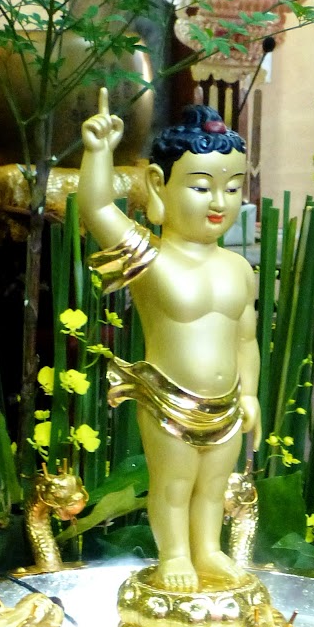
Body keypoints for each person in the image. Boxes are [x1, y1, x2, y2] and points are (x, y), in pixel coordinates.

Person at [78, 88, 261, 592]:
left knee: (214, 486)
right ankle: (175, 553)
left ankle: (208, 549)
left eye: (232, 187)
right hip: (168, 399)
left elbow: (245, 338)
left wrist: (249, 393)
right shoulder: (152, 259)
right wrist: (99, 152)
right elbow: (97, 208)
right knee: (175, 484)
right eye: (201, 187)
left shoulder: (239, 268)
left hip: (226, 404)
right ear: (160, 185)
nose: (219, 202)